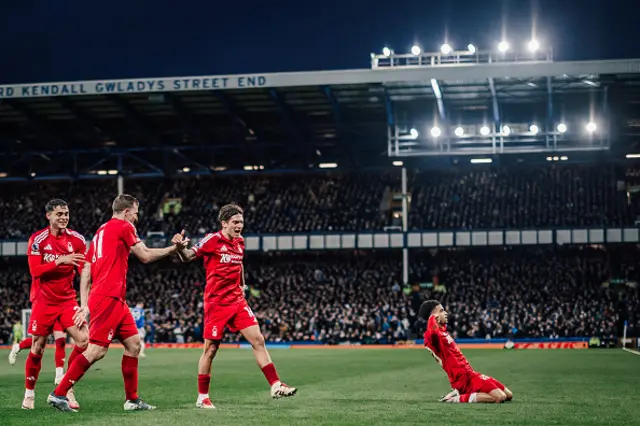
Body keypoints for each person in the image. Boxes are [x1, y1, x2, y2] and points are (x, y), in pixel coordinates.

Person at [47, 194, 188, 413]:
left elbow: (86, 270)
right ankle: (59, 393)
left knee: (134, 345)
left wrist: (85, 304)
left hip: (112, 298)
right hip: (108, 297)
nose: (137, 217)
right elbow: (145, 255)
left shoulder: (100, 232)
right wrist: (174, 249)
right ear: (126, 212)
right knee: (96, 350)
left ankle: (132, 400)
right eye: (135, 213)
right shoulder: (124, 226)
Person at [172, 204, 297, 409]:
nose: (239, 226)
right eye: (235, 222)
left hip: (237, 301)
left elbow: (239, 264)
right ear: (224, 223)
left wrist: (243, 284)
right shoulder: (213, 240)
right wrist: (179, 248)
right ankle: (202, 397)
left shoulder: (240, 242)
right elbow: (188, 257)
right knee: (211, 349)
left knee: (258, 339)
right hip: (216, 303)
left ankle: (275, 384)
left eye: (241, 222)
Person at [21, 199, 89, 410]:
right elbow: (35, 271)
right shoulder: (38, 240)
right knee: (38, 347)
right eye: (59, 214)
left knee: (84, 340)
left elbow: (84, 270)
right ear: (48, 216)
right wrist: (60, 260)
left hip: (67, 300)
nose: (63, 217)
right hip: (43, 301)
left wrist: (85, 302)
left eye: (66, 213)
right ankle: (29, 393)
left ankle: (66, 388)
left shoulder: (77, 240)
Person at [419, 300, 513, 403]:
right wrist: (432, 317)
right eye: (441, 311)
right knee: (499, 397)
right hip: (462, 380)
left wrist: (437, 317)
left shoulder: (442, 331)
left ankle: (458, 392)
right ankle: (456, 398)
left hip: (471, 374)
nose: (445, 313)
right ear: (434, 316)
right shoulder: (431, 336)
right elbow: (432, 332)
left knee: (509, 395)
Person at [9, 320, 70, 386]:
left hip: (59, 313)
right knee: (39, 342)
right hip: (44, 312)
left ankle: (59, 376)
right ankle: (18, 347)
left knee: (61, 342)